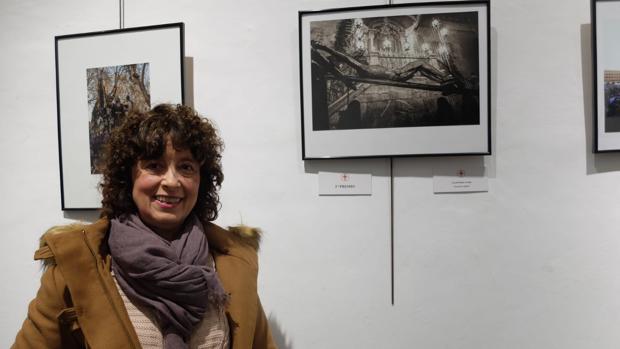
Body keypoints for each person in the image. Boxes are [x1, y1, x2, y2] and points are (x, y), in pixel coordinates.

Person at [13, 104, 276, 349]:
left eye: (185, 167)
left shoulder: (235, 262)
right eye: (154, 166)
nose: (172, 181)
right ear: (128, 176)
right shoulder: (76, 264)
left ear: (201, 179)